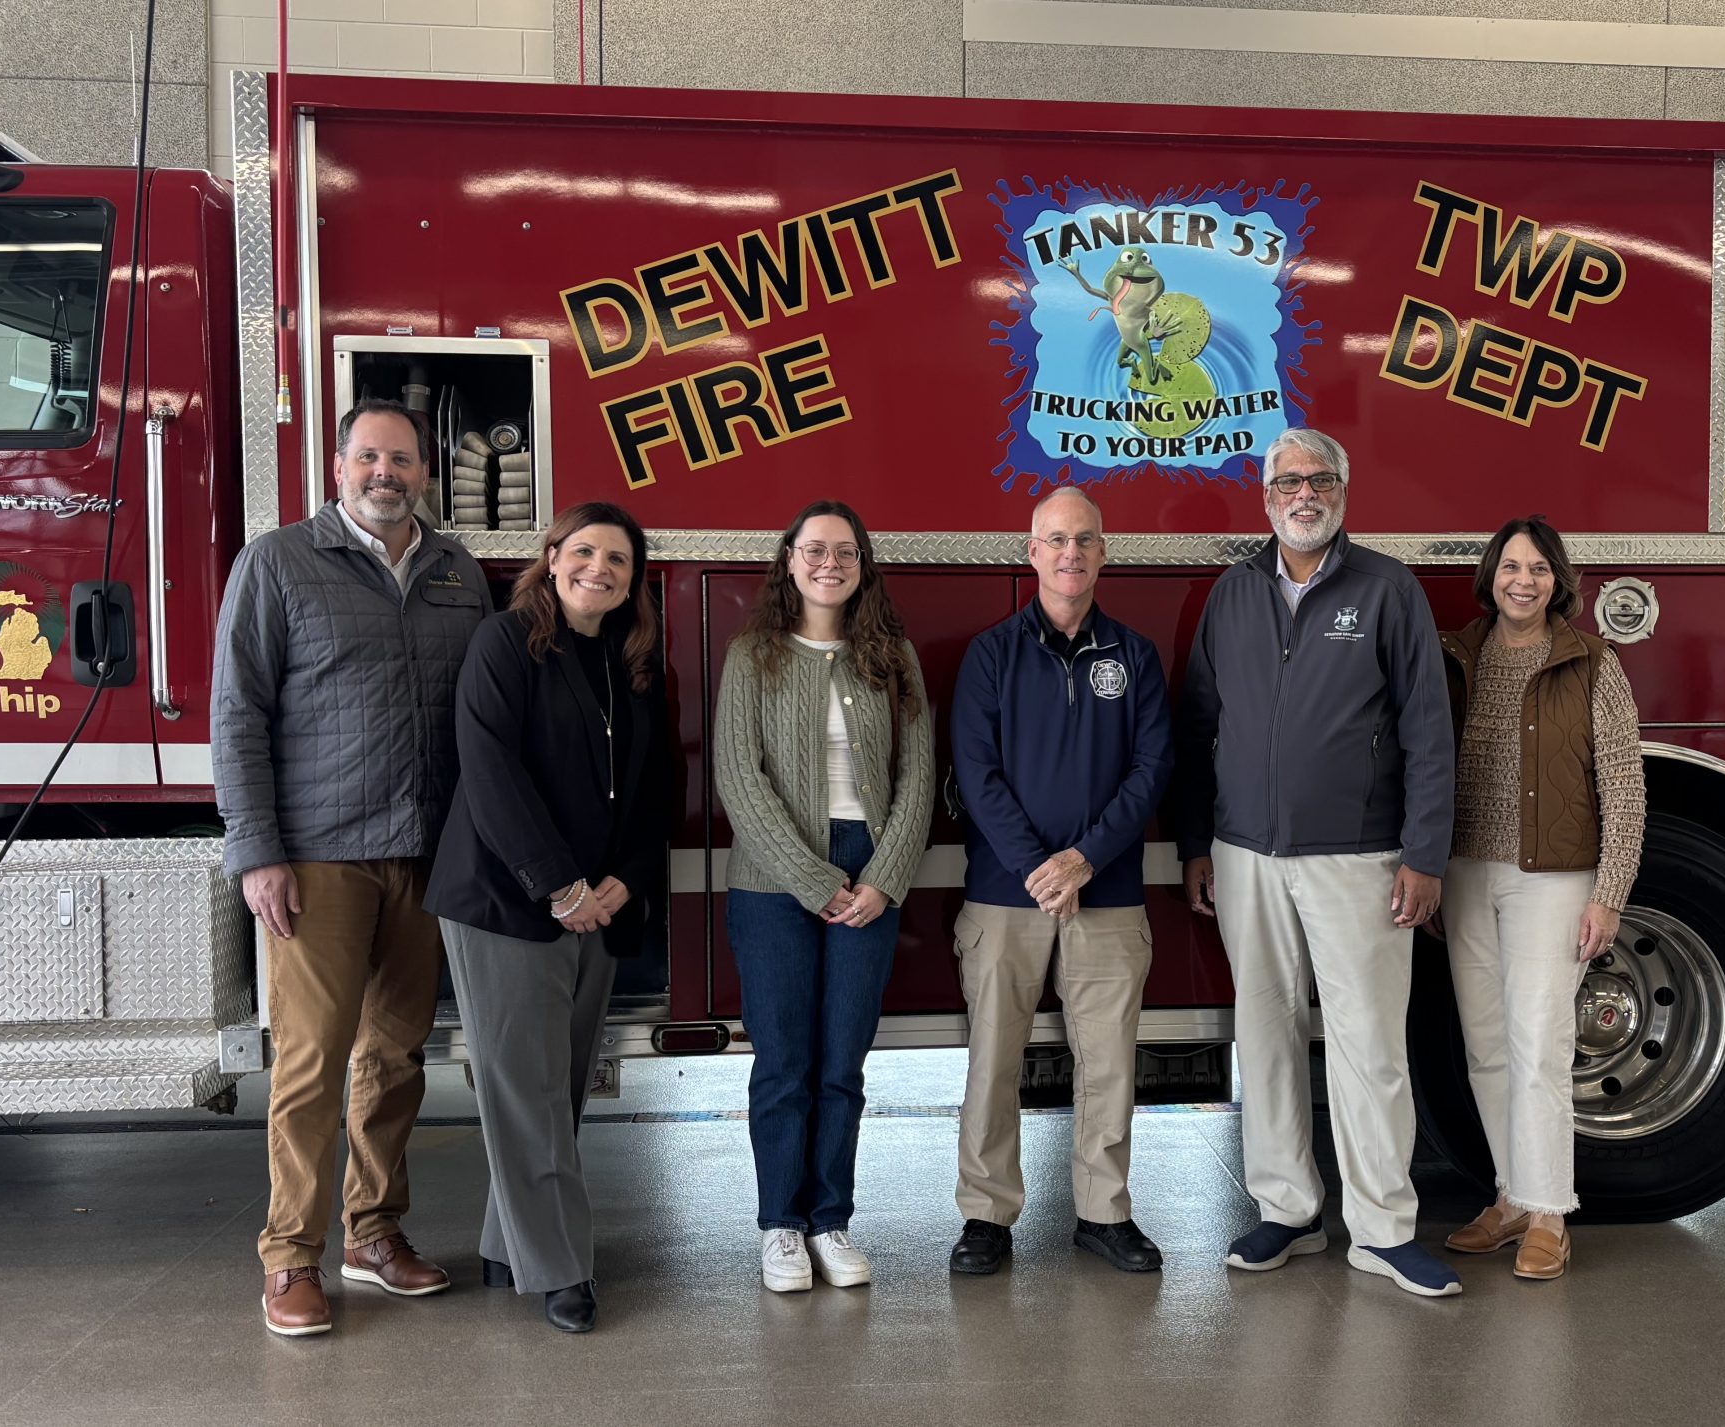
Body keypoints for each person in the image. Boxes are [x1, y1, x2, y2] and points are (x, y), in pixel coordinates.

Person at [212, 397, 489, 1337]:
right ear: (336, 468)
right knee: (310, 1065)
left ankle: (374, 1235)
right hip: (318, 860)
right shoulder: (278, 562)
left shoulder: (457, 570)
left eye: (402, 459)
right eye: (368, 456)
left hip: (426, 856)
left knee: (397, 1058)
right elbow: (238, 715)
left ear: (424, 473)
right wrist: (258, 852)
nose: (386, 473)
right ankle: (290, 1256)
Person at [1175, 427, 1461, 1298]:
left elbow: (1427, 731)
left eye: (1321, 479)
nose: (1305, 493)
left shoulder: (1387, 589)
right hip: (1245, 855)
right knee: (1263, 1038)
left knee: (1370, 1044)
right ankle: (1287, 1211)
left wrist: (1423, 853)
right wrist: (1197, 843)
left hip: (1361, 858)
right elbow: (1197, 728)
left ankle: (1381, 1228)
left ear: (1343, 492)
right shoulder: (1233, 592)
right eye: (1288, 481)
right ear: (1265, 500)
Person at [425, 502, 672, 1333]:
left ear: (634, 580)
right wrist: (559, 884)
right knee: (525, 1090)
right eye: (586, 551)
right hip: (507, 901)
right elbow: (488, 770)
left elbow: (653, 794)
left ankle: (508, 1244)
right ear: (553, 555)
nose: (599, 569)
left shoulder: (635, 663)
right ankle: (561, 1269)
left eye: (619, 561)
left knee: (554, 1088)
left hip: (599, 906)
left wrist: (619, 885)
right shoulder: (506, 643)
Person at [947, 488, 1175, 1276]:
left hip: (1106, 894)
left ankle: (1103, 1212)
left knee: (1109, 1064)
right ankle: (985, 1216)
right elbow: (975, 774)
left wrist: (1085, 859)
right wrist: (1040, 869)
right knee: (993, 1062)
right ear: (1031, 551)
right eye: (1055, 540)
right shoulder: (992, 654)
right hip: (1005, 896)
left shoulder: (1135, 657)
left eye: (1084, 540)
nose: (1070, 553)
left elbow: (1151, 772)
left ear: (1103, 553)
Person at [714, 500, 935, 1293]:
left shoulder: (892, 658)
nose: (829, 562)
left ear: (863, 564)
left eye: (845, 551)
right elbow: (739, 776)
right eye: (815, 549)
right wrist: (814, 880)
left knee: (842, 1062)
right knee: (783, 1062)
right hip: (774, 881)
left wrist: (882, 875)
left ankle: (830, 1220)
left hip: (869, 874)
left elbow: (918, 776)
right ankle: (780, 1225)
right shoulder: (754, 654)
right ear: (789, 558)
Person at [1436, 516, 1644, 1282]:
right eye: (1510, 566)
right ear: (1490, 573)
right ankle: (1512, 1195)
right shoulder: (1457, 655)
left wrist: (1610, 893)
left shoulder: (1591, 661)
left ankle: (1551, 1212)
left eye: (1539, 568)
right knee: (1487, 1046)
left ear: (1559, 581)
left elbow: (1624, 784)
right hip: (1463, 874)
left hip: (1553, 879)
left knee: (1541, 1048)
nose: (1523, 580)